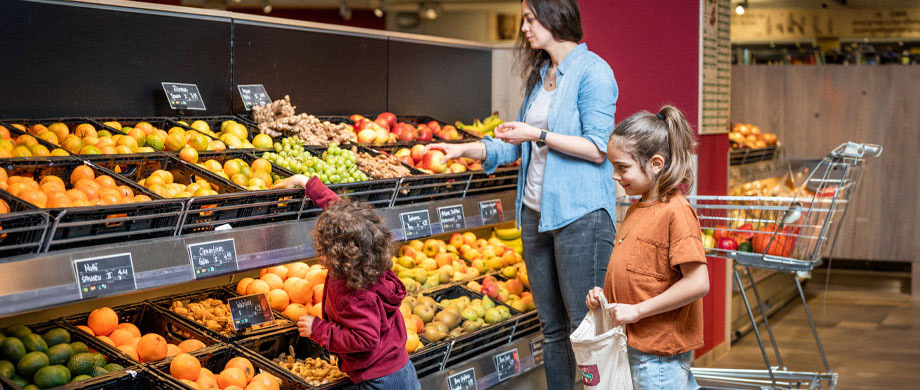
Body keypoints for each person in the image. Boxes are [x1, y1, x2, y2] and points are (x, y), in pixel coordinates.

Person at [428, 1, 618, 388]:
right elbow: (517, 147)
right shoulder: (541, 76)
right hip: (534, 214)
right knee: (551, 328)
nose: (525, 29)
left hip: (580, 217)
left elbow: (599, 147)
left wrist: (538, 134)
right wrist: (468, 149)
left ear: (554, 17)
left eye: (530, 19)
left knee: (585, 329)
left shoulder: (593, 72)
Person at [585, 106, 710, 390]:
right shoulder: (637, 208)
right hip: (634, 346)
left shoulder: (675, 211)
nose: (615, 175)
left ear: (655, 163)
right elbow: (643, 277)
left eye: (622, 167)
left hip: (658, 357)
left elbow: (698, 283)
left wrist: (638, 311)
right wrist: (603, 298)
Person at [274, 174, 421, 390]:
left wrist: (319, 330)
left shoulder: (356, 293)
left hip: (380, 380)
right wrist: (305, 182)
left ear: (335, 254)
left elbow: (364, 338)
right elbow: (341, 211)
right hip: (398, 367)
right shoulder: (367, 257)